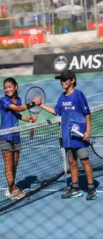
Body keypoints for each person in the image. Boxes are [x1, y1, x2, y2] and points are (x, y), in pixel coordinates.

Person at [38, 70, 97, 200]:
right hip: (67, 136)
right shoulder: (62, 97)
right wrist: (41, 105)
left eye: (65, 79)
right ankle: (75, 188)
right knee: (71, 161)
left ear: (73, 80)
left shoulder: (79, 95)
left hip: (79, 135)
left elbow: (87, 114)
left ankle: (91, 188)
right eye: (61, 80)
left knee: (85, 161)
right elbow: (56, 111)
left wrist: (88, 131)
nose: (62, 82)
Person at [0, 78, 41, 199]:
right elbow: (17, 109)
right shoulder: (3, 100)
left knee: (15, 164)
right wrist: (34, 103)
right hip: (5, 136)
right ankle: (13, 190)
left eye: (10, 87)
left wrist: (28, 119)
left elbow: (17, 114)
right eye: (5, 87)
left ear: (16, 87)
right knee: (8, 164)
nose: (8, 89)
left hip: (16, 135)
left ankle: (11, 185)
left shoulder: (19, 100)